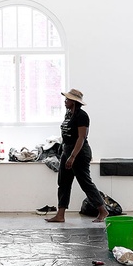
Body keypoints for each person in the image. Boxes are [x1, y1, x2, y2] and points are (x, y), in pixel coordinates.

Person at [46, 88, 107, 224]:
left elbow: (81, 138)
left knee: (85, 182)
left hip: (79, 152)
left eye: (67, 99)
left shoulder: (82, 116)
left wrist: (72, 156)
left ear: (74, 101)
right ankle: (60, 215)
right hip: (67, 150)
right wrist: (64, 153)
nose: (65, 101)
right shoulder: (68, 115)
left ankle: (103, 210)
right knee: (63, 183)